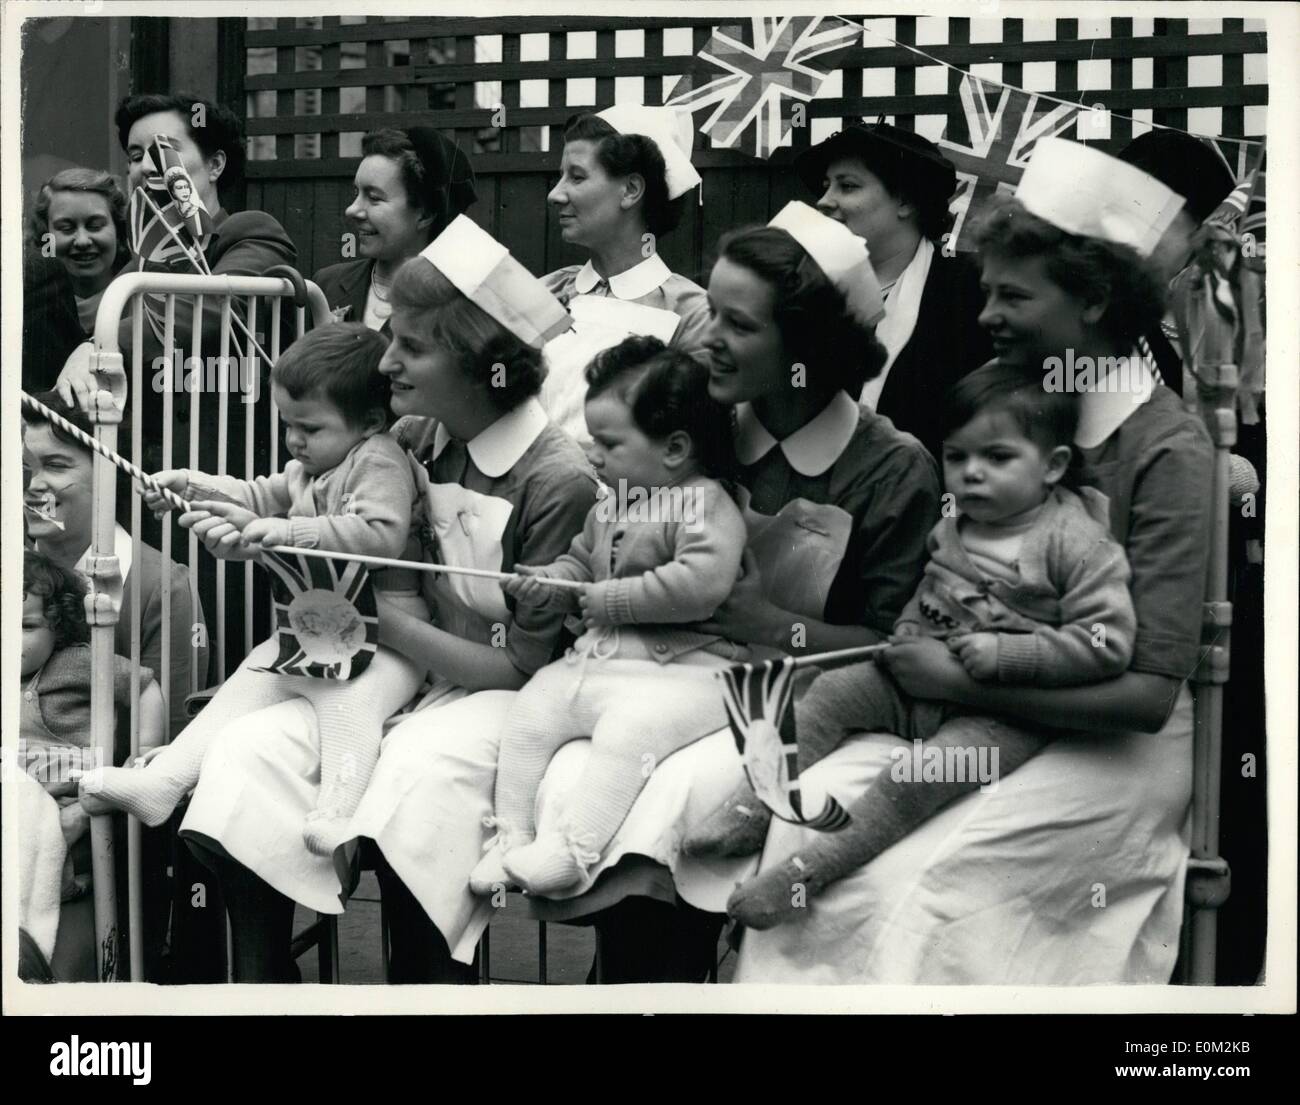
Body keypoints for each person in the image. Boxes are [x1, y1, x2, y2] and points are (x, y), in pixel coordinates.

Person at [731, 137, 1213, 984]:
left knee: (911, 889)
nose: (985, 314)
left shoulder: (1163, 448)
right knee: (803, 815)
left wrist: (958, 681)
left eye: (1013, 296)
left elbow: (1145, 694)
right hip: (966, 706)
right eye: (986, 291)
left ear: (1095, 300)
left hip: (1107, 745)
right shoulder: (1002, 407)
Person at [515, 202, 942, 982]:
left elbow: (896, 650)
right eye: (710, 306)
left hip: (812, 708)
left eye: (739, 326)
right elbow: (610, 544)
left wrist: (773, 623)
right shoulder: (692, 433)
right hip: (664, 680)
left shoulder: (890, 469)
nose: (706, 336)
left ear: (807, 345)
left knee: (674, 798)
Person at [167, 215, 596, 982]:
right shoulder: (416, 437)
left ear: (480, 360)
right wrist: (243, 514)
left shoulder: (555, 478)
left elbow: (524, 667)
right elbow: (309, 507)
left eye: (413, 345)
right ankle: (264, 993)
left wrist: (366, 615)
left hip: (498, 692)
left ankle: (429, 992)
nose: (386, 360)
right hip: (394, 665)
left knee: (413, 784)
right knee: (240, 757)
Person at [714, 361, 1137, 928]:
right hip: (920, 678)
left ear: (1054, 465)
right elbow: (930, 590)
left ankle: (806, 873)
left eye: (998, 458)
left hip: (1002, 712)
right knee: (828, 693)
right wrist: (910, 630)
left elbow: (1106, 642)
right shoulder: (956, 525)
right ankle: (751, 805)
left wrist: (1008, 656)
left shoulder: (1077, 544)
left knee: (912, 781)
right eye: (958, 457)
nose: (972, 474)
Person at [79, 324, 426, 859]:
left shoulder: (378, 460)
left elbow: (383, 532)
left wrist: (291, 532)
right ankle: (165, 781)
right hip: (321, 624)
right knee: (246, 683)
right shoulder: (312, 466)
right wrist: (193, 486)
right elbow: (259, 494)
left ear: (371, 423)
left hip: (394, 636)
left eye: (309, 427)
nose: (294, 440)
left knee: (348, 701)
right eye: (287, 425)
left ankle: (339, 812)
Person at [469, 336, 747, 897]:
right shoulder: (614, 500)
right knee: (529, 715)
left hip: (689, 672)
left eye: (609, 443)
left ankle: (572, 850)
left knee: (629, 733)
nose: (592, 454)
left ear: (673, 448)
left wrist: (611, 599)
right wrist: (550, 583)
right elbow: (580, 562)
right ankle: (511, 838)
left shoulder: (703, 501)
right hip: (602, 662)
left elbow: (702, 585)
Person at [795, 120, 991, 459]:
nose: (824, 201)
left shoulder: (972, 288)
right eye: (826, 186)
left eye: (848, 186)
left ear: (905, 200)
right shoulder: (804, 291)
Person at [18, 551, 164, 981]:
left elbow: (143, 685)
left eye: (26, 627)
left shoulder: (76, 661)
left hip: (68, 790)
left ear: (59, 626)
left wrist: (143, 757)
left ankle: (40, 915)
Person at [541, 106, 710, 443]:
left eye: (576, 177)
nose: (555, 194)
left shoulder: (691, 314)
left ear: (631, 190)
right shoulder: (547, 290)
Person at [314, 127, 477, 332]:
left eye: (374, 198)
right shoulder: (326, 285)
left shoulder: (456, 305)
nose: (352, 210)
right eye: (356, 192)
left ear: (425, 214)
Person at [27, 168, 132, 337]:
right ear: (44, 235)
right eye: (66, 228)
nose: (82, 241)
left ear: (119, 231)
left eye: (95, 226)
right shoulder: (29, 305)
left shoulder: (144, 300)